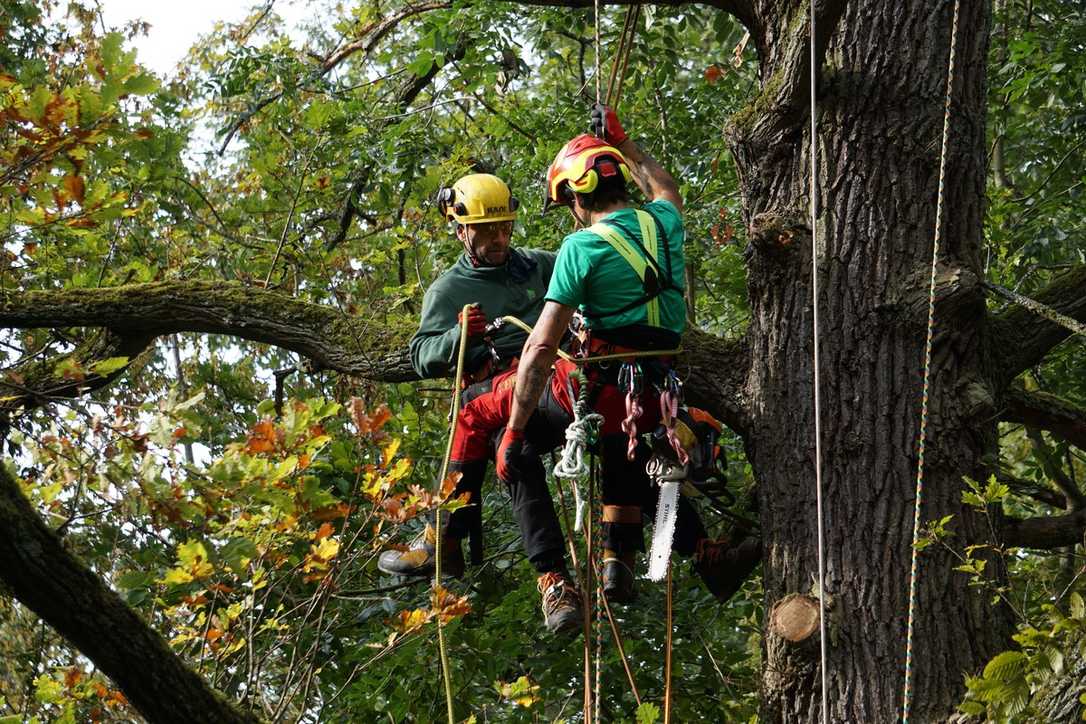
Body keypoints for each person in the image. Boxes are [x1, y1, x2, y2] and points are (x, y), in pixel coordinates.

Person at [496, 105, 758, 603]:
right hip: (660, 395)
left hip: (604, 392)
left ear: (577, 196)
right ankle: (673, 555)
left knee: (501, 424)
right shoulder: (664, 223)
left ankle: (559, 575)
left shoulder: (581, 248)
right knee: (642, 454)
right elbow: (665, 188)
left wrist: (513, 429)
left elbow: (542, 346)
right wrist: (626, 144)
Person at [377, 173, 583, 635]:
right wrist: (458, 335)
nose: (498, 239)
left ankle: (443, 536)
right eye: (486, 231)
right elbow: (422, 355)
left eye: (504, 228)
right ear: (460, 231)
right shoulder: (449, 290)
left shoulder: (538, 265)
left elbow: (583, 272)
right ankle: (554, 582)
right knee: (512, 452)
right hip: (501, 395)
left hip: (548, 384)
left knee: (478, 415)